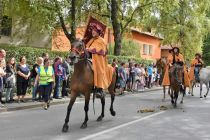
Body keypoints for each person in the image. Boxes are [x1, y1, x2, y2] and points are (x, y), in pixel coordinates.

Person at [86, 23, 113, 98]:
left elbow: (100, 50)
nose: (92, 32)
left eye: (94, 31)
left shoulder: (102, 40)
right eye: (92, 31)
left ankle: (100, 89)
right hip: (90, 58)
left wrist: (90, 49)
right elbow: (86, 47)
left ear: (98, 32)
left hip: (99, 60)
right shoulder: (92, 40)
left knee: (100, 71)